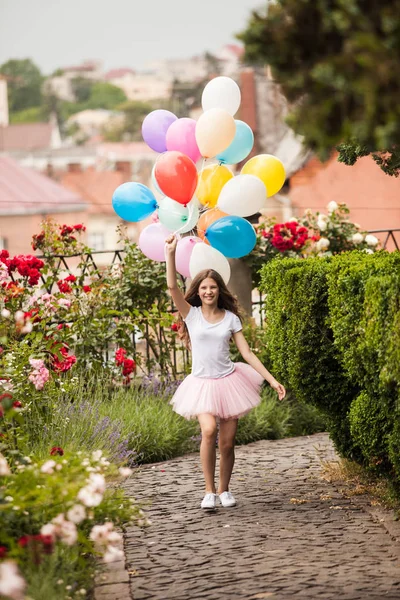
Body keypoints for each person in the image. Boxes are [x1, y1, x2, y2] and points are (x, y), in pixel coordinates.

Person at [165, 234, 286, 510]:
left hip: (230, 381)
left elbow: (247, 353)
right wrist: (170, 253)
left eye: (213, 287)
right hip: (201, 384)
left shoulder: (230, 318)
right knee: (208, 431)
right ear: (199, 291)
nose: (208, 291)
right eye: (204, 287)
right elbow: (172, 286)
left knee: (228, 443)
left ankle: (224, 490)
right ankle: (208, 491)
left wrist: (272, 380)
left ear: (219, 290)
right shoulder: (191, 314)